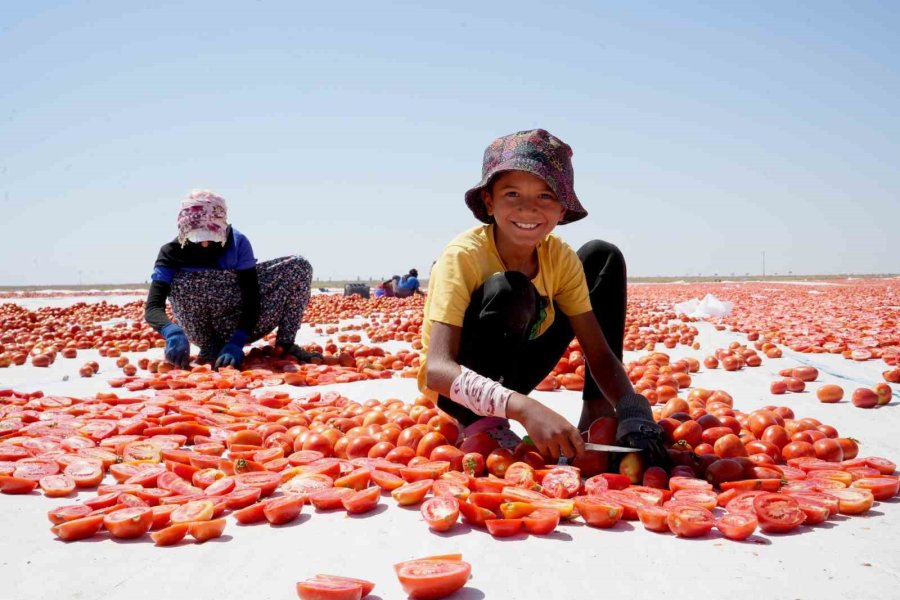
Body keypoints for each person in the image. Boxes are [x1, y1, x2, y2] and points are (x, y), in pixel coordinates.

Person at [419, 129, 666, 465]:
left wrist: (632, 407)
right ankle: (480, 422)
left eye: (546, 197)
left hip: (516, 370)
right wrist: (525, 408)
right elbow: (437, 370)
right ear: (489, 201)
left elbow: (599, 353)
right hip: (459, 388)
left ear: (562, 210)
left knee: (600, 256)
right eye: (512, 194)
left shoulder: (559, 259)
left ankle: (596, 413)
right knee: (510, 287)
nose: (528, 209)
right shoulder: (463, 256)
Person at [144, 190, 319, 369]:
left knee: (299, 266)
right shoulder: (171, 252)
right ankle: (210, 347)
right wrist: (171, 331)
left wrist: (237, 341)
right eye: (198, 237)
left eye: (211, 236)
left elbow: (252, 299)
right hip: (199, 327)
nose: (205, 244)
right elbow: (153, 307)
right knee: (184, 279)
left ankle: (285, 346)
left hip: (239, 322)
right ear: (185, 230)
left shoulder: (238, 243)